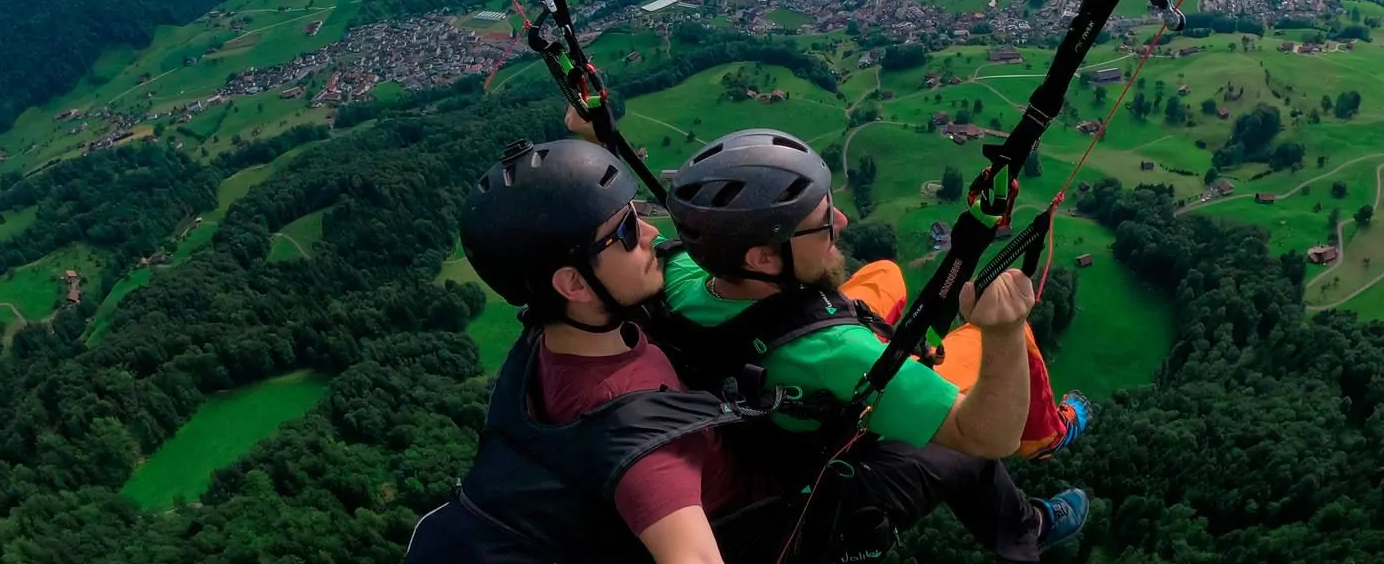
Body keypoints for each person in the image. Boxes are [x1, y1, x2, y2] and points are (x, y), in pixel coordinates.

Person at [658, 128, 1092, 564]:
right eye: (824, 221)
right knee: (982, 384)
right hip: (828, 474)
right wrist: (1006, 330)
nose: (842, 222)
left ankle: (902, 363)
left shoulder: (678, 271)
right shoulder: (839, 353)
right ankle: (1042, 463)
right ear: (763, 258)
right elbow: (990, 436)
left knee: (886, 273)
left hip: (759, 374)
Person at [406, 137, 769, 564]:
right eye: (627, 230)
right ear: (574, 284)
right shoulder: (641, 445)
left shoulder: (544, 349)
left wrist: (595, 138)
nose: (652, 232)